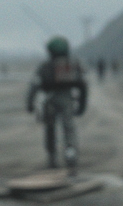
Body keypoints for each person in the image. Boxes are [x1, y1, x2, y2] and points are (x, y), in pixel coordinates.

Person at [26, 35, 88, 171]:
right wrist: (82, 106)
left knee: (50, 129)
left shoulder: (45, 67)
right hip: (67, 100)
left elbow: (34, 85)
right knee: (69, 128)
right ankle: (70, 153)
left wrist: (30, 104)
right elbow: (83, 86)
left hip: (49, 100)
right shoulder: (73, 66)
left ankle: (52, 157)